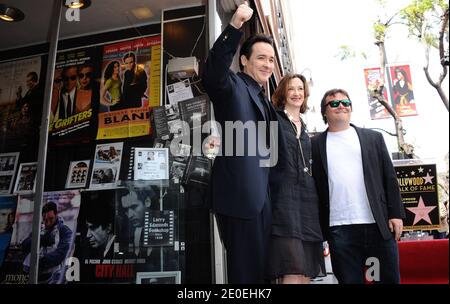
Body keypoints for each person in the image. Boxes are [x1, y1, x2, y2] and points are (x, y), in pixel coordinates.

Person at [202, 2, 282, 283]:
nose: (268, 65)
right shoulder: (232, 86)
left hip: (265, 205)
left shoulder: (265, 101)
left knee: (262, 276)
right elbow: (211, 74)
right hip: (240, 201)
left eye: (271, 60)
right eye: (261, 58)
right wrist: (235, 25)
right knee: (245, 277)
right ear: (244, 60)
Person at [311, 88, 405, 284]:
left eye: (345, 102)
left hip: (377, 226)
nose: (341, 106)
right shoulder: (315, 145)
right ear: (324, 112)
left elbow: (389, 177)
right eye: (334, 103)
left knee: (385, 280)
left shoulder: (373, 138)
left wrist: (395, 214)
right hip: (339, 229)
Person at [268, 74, 325, 284]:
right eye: (291, 89)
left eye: (300, 89)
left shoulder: (305, 125)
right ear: (283, 92)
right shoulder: (274, 119)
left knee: (305, 272)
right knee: (292, 268)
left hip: (308, 204)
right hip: (284, 202)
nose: (296, 93)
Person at [21, 201, 73, 284]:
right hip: (34, 275)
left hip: (54, 276)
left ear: (56, 215)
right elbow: (24, 246)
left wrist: (40, 262)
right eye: (45, 220)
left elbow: (62, 253)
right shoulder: (39, 229)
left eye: (51, 219)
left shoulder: (64, 230)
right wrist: (40, 239)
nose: (48, 222)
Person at [118, 189, 157, 258]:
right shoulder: (128, 235)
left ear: (147, 202)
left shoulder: (162, 228)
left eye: (133, 207)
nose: (129, 215)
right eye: (126, 210)